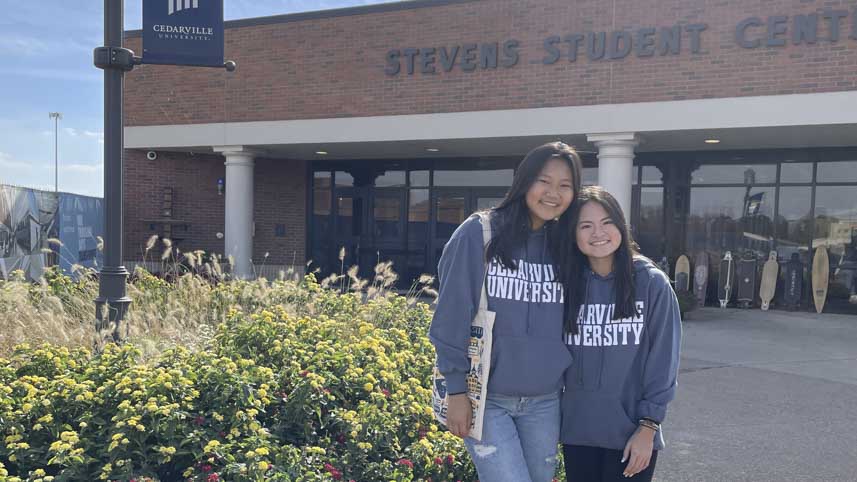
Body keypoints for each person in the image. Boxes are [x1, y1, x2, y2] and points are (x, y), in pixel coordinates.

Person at [429, 142, 583, 481]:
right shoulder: (480, 233)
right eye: (544, 180)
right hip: (487, 400)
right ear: (524, 181)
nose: (553, 193)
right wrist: (456, 392)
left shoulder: (567, 246)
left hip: (545, 402)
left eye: (565, 185)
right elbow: (450, 317)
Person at [559, 186, 681, 481]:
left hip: (632, 436)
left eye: (607, 222)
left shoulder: (652, 284)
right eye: (585, 225)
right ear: (573, 234)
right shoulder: (565, 284)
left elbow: (663, 361)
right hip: (579, 435)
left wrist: (649, 427)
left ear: (621, 227)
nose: (597, 233)